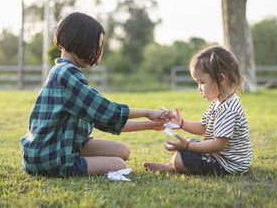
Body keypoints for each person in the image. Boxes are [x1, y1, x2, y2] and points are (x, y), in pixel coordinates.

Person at [21, 12, 168, 177]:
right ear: (81, 43)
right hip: (51, 156)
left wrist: (150, 124)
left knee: (123, 151)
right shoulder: (66, 75)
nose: (97, 52)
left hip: (61, 144)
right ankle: (69, 166)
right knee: (118, 164)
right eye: (96, 47)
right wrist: (147, 112)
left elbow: (102, 119)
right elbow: (107, 112)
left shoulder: (65, 71)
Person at [144, 45, 252, 175]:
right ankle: (171, 165)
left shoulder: (228, 109)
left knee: (181, 157)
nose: (199, 88)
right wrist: (181, 123)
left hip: (230, 164)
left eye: (201, 82)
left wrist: (188, 147)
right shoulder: (219, 101)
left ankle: (174, 165)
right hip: (219, 157)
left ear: (221, 79)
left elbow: (219, 145)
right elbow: (203, 127)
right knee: (190, 142)